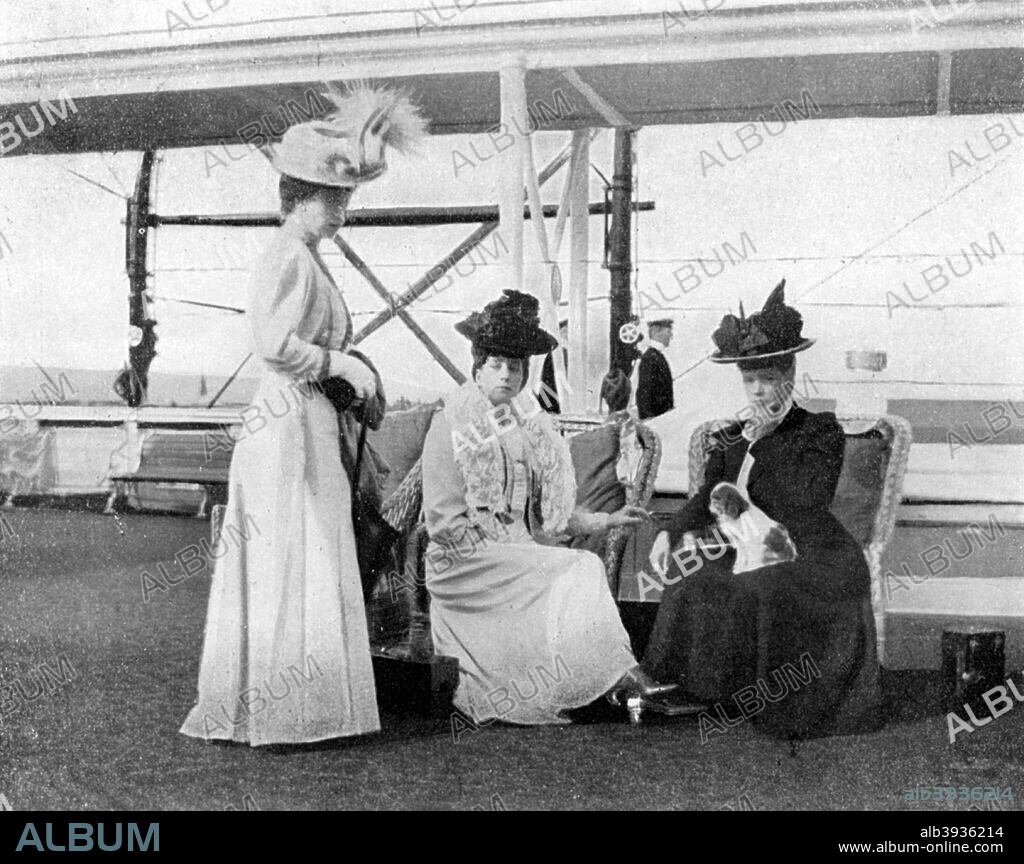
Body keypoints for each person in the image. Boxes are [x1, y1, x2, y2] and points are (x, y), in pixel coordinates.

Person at [180, 85, 425, 746]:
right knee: (297, 544)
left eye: (345, 198)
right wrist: (342, 366)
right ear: (297, 196)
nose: (341, 210)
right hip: (288, 421)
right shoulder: (287, 255)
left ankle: (306, 706)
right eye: (331, 198)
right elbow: (273, 344)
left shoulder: (308, 257)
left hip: (310, 420)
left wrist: (352, 373)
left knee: (313, 545)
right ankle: (285, 709)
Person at [422, 290, 676, 725]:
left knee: (575, 565)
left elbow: (548, 514)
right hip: (463, 563)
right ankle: (622, 680)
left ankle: (606, 682)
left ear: (524, 373)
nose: (506, 375)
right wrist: (500, 551)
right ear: (477, 369)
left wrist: (605, 519)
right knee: (577, 567)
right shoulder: (452, 422)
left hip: (515, 554)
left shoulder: (528, 429)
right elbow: (443, 520)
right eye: (496, 365)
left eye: (515, 367)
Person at [642, 281, 883, 740]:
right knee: (694, 574)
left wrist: (765, 439)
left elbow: (804, 502)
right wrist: (670, 532)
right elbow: (706, 493)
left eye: (767, 378)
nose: (757, 390)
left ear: (789, 376)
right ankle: (702, 691)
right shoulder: (733, 433)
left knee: (764, 583)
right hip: (749, 546)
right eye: (749, 380)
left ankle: (774, 698)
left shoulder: (818, 431)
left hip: (814, 551)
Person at [637, 318, 674, 420]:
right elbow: (644, 392)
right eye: (669, 331)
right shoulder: (651, 358)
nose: (671, 336)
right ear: (657, 332)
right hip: (655, 421)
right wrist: (647, 419)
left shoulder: (655, 356)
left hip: (660, 419)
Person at [538, 319, 568, 414]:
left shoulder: (564, 352)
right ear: (563, 331)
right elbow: (547, 378)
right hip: (553, 397)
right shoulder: (559, 353)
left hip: (555, 397)